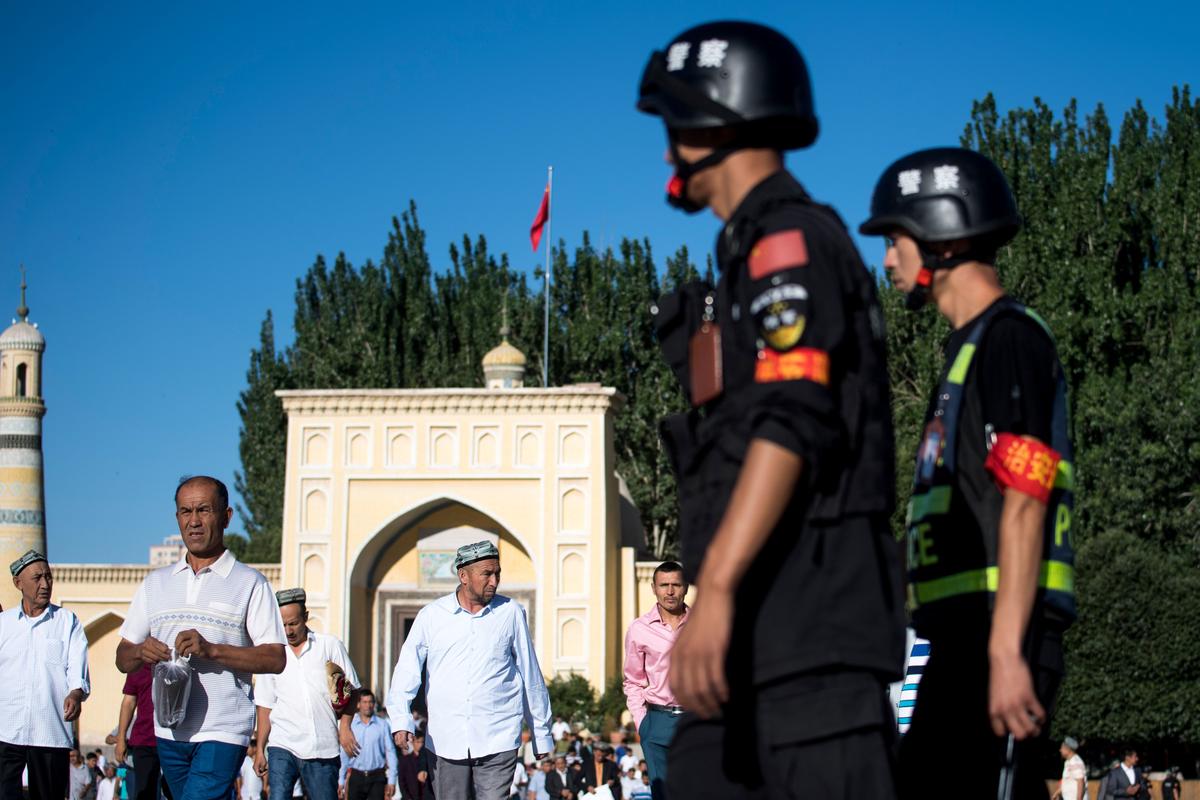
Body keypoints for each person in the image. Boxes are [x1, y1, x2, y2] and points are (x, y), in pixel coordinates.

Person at [638, 20, 905, 798]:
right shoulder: (750, 257)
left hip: (810, 646)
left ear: (720, 124)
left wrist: (712, 591)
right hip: (750, 649)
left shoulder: (789, 242)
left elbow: (792, 418)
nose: (666, 153)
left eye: (676, 129)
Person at [860, 147, 1078, 799]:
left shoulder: (1009, 340)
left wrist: (1008, 654)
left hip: (997, 634)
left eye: (896, 238)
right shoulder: (965, 354)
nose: (888, 259)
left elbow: (1024, 498)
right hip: (960, 638)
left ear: (944, 238)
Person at [115, 475, 287, 800]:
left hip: (223, 729)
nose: (194, 521)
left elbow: (275, 657)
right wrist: (140, 651)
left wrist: (212, 650)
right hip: (168, 731)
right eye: (185, 511)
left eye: (204, 510)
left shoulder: (250, 583)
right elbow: (122, 658)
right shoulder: (156, 584)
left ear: (226, 517)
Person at [387, 540, 553, 800]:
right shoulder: (432, 616)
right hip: (445, 740)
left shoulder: (510, 613)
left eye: (497, 573)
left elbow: (531, 675)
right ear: (463, 575)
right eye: (487, 574)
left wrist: (541, 733)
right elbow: (406, 669)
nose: (494, 581)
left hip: (498, 736)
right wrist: (400, 719)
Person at [0, 549, 91, 800]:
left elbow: (77, 665)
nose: (45, 584)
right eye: (37, 578)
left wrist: (75, 692)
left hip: (49, 732)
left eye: (48, 577)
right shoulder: (4, 624)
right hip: (6, 731)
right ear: (18, 583)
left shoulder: (67, 621)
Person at [255, 587, 360, 800]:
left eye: (293, 623)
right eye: (283, 625)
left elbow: (352, 689)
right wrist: (259, 749)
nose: (288, 631)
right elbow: (265, 704)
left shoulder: (329, 645)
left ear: (306, 617)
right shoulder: (273, 654)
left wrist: (345, 727)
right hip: (282, 743)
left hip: (321, 746)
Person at [622, 561, 687, 800]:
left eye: (676, 585)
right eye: (664, 585)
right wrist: (642, 724)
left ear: (686, 587)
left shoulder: (703, 624)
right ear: (653, 588)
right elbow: (632, 681)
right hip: (657, 721)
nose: (670, 591)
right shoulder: (639, 629)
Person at [339, 689, 397, 800]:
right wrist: (341, 780)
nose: (368, 705)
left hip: (377, 776)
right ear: (358, 704)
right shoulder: (351, 726)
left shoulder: (382, 725)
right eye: (364, 702)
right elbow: (344, 753)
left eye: (370, 702)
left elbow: (391, 752)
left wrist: (392, 780)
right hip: (356, 776)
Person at [115, 661, 160, 800]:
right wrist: (121, 739)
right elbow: (128, 702)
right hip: (144, 740)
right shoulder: (137, 665)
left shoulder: (177, 661)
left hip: (175, 740)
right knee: (144, 792)